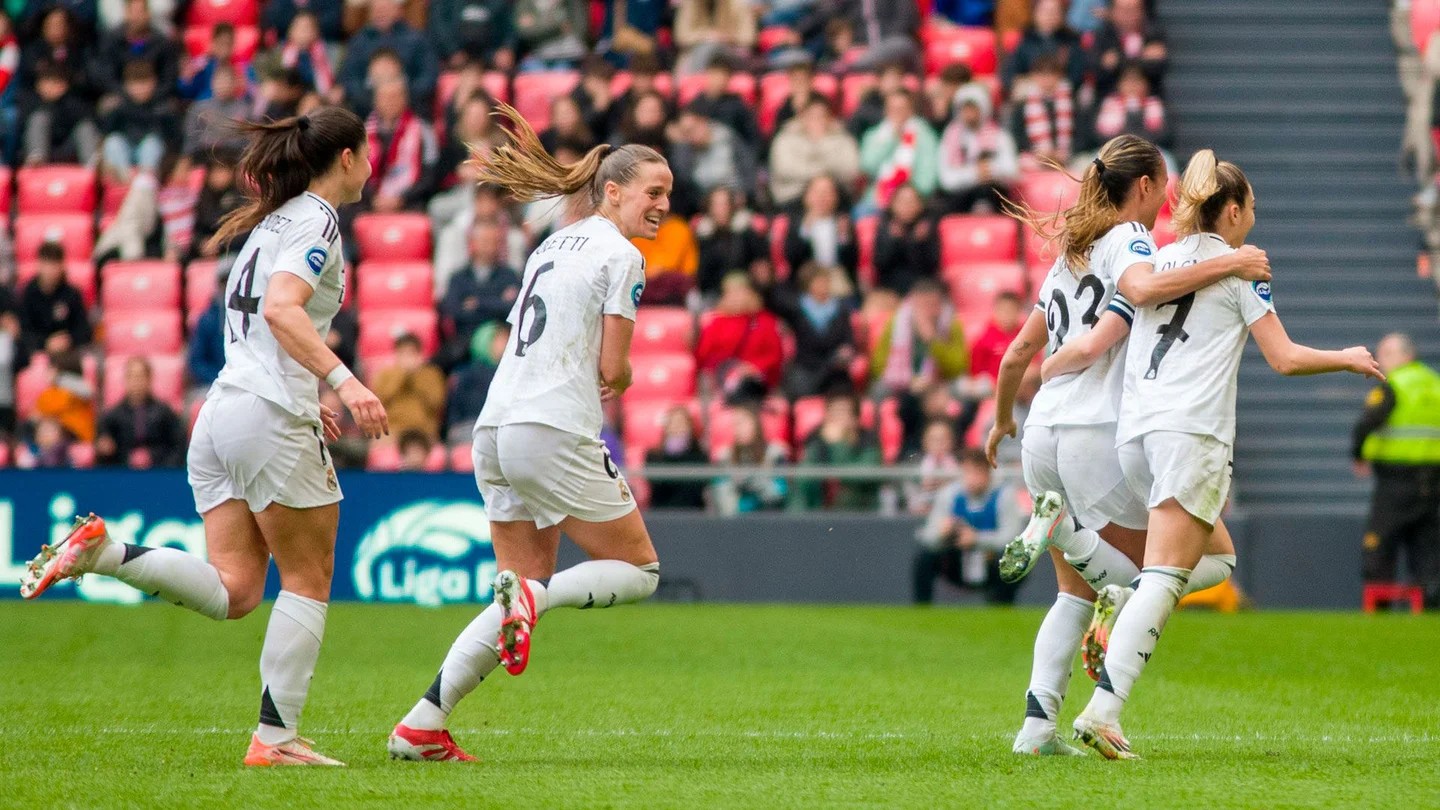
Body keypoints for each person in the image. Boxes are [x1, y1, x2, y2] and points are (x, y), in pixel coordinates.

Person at [20, 106, 389, 767]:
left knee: (237, 589)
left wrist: (308, 391)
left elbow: (262, 325)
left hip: (223, 414)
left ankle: (105, 554)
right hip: (267, 416)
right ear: (346, 159)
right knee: (309, 576)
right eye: (369, 151)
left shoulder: (271, 222)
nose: (373, 163)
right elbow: (280, 310)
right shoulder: (316, 219)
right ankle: (275, 741)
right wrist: (346, 382)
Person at [1037, 149, 1381, 758]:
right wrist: (1348, 356)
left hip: (1135, 436)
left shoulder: (1158, 258)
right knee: (1168, 579)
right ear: (1231, 211)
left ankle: (1119, 593)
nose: (1254, 217)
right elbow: (1284, 358)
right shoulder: (1241, 266)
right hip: (1190, 434)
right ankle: (1103, 710)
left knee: (1218, 558)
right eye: (1250, 206)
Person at [387, 103, 668, 762]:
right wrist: (621, 379)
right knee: (641, 569)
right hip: (552, 426)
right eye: (654, 192)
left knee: (523, 582)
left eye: (668, 195)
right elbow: (612, 367)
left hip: (493, 427)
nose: (662, 205)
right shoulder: (621, 255)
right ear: (614, 191)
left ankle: (422, 723)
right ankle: (534, 601)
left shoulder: (550, 242)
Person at [985, 135, 1275, 758]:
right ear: (1143, 186)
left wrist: (1003, 418)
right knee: (1194, 564)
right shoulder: (1132, 242)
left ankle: (1036, 730)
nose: (1170, 197)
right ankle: (1067, 537)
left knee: (1074, 593)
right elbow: (1139, 295)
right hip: (1095, 434)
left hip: (1039, 435)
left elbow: (1015, 352)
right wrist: (1233, 261)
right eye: (1163, 183)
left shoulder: (1069, 253)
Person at [1352, 333, 1440, 609]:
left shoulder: (1394, 385)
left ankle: (1378, 610)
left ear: (1406, 356)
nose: (1380, 361)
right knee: (1428, 550)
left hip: (1395, 481)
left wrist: (1358, 455)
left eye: (1386, 354)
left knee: (1379, 545)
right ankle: (1430, 609)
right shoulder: (1435, 383)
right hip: (1434, 481)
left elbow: (1366, 423)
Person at [913, 448, 1025, 605]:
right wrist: (943, 533)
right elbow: (928, 537)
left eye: (978, 472)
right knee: (924, 558)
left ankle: (1002, 608)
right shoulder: (950, 495)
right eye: (968, 472)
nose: (972, 479)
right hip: (957, 559)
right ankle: (921, 610)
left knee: (1015, 561)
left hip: (991, 560)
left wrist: (977, 539)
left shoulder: (1003, 496)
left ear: (988, 474)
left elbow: (1013, 537)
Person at [437, 219, 521, 370]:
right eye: (485, 241)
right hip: (464, 345)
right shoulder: (458, 278)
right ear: (472, 243)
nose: (491, 246)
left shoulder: (510, 276)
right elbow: (452, 311)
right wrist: (497, 303)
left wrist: (479, 304)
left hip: (499, 342)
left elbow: (515, 309)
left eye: (495, 241)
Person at [870, 278, 968, 399]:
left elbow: (958, 368)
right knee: (879, 389)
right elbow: (878, 366)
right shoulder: (895, 323)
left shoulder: (952, 325)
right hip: (901, 384)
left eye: (933, 305)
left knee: (961, 389)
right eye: (923, 305)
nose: (928, 311)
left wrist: (932, 340)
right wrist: (909, 381)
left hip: (939, 383)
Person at [696, 273, 787, 403]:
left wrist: (753, 368)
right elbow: (703, 356)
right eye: (731, 293)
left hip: (757, 381)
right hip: (721, 379)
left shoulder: (766, 322)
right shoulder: (715, 323)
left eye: (740, 292)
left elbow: (775, 356)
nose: (736, 297)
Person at [339, 0, 439, 112]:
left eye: (385, 9)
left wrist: (401, 98)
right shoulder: (358, 42)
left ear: (398, 11)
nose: (381, 13)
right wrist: (373, 100)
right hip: (367, 110)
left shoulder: (417, 39)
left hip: (411, 108)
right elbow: (349, 78)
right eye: (376, 10)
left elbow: (428, 76)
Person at [777, 262, 857, 399]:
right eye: (818, 281)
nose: (823, 285)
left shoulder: (841, 308)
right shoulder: (795, 308)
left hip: (834, 368)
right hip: (806, 366)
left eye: (825, 281)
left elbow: (848, 339)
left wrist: (846, 351)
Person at [938, 83, 1020, 214]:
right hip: (962, 197)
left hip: (994, 193)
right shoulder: (950, 137)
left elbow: (1012, 171)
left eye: (973, 109)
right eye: (965, 109)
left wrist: (991, 170)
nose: (969, 114)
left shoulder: (999, 135)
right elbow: (946, 179)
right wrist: (975, 174)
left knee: (990, 193)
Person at [768, 96, 862, 208]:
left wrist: (823, 181)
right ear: (802, 117)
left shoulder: (843, 139)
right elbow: (784, 169)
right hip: (794, 197)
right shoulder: (785, 138)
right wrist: (820, 175)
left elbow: (852, 169)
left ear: (830, 118)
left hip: (837, 198)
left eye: (822, 116)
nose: (817, 120)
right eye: (812, 116)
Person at [794, 392, 881, 510]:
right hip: (821, 519)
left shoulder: (868, 442)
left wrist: (838, 444)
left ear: (855, 418)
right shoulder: (817, 441)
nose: (837, 420)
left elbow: (859, 476)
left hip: (860, 517)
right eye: (833, 414)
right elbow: (803, 483)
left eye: (842, 413)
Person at [95, 356, 186, 468]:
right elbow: (104, 451)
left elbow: (178, 446)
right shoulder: (111, 416)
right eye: (131, 377)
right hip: (123, 475)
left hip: (158, 473)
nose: (136, 382)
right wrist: (105, 450)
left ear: (149, 379)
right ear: (125, 380)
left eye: (140, 377)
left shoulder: (165, 413)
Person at [364, 78, 438, 212]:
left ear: (405, 99)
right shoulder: (363, 133)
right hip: (371, 202)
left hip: (411, 201)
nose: (390, 102)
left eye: (395, 96)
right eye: (385, 97)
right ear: (376, 101)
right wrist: (373, 198)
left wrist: (402, 199)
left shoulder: (423, 131)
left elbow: (430, 176)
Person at [100, 60, 179, 183]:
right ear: (126, 85)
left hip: (153, 160)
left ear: (154, 82)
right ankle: (126, 181)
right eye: (135, 85)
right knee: (113, 141)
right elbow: (106, 134)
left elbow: (174, 140)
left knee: (151, 143)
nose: (140, 89)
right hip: (124, 155)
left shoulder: (164, 108)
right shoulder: (118, 106)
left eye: (144, 84)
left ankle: (144, 182)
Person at [859, 89, 940, 209]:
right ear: (886, 111)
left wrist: (906, 197)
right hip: (877, 199)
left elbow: (928, 176)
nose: (897, 114)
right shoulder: (874, 135)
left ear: (911, 111)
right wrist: (891, 139)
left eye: (901, 109)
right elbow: (867, 166)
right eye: (893, 109)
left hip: (914, 200)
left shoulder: (924, 135)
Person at [784, 175, 859, 292]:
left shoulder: (843, 223)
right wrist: (805, 231)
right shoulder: (796, 224)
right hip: (807, 278)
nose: (822, 197)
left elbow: (852, 260)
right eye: (817, 192)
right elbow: (792, 258)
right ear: (806, 196)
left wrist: (843, 237)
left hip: (835, 276)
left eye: (828, 193)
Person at [695, 187, 768, 301]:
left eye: (724, 204)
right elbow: (703, 278)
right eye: (716, 205)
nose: (721, 210)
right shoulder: (704, 238)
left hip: (747, 289)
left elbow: (760, 264)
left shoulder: (746, 233)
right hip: (716, 293)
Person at [711, 406, 790, 514]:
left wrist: (755, 483)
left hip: (769, 518)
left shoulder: (775, 453)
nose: (738, 429)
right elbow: (721, 493)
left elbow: (780, 491)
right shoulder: (724, 456)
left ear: (756, 425)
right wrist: (740, 506)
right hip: (735, 522)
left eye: (742, 423)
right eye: (735, 425)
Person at [22, 60, 101, 165]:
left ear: (65, 85)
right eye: (47, 82)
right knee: (39, 118)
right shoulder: (29, 101)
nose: (50, 87)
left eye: (56, 82)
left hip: (69, 148)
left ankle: (92, 165)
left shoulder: (74, 102)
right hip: (39, 149)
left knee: (84, 127)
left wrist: (59, 103)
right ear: (38, 85)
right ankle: (36, 160)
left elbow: (87, 121)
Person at [19, 241, 91, 357]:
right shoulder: (28, 293)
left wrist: (68, 340)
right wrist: (46, 343)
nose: (51, 270)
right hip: (36, 353)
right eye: (47, 264)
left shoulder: (72, 294)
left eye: (55, 264)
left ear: (62, 266)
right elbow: (24, 332)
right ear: (39, 265)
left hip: (69, 353)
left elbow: (84, 330)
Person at [372, 333, 448, 441]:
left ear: (419, 354)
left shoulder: (432, 374)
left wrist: (416, 375)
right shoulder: (386, 375)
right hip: (392, 430)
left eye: (411, 353)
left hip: (424, 431)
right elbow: (380, 402)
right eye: (402, 354)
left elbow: (436, 404)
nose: (407, 358)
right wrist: (402, 375)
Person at [1000, 0, 1085, 93]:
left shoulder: (1071, 40)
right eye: (1045, 11)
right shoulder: (1026, 40)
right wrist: (1034, 83)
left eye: (1054, 11)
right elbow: (1008, 73)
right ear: (1035, 14)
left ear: (1062, 15)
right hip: (1031, 92)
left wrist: (1054, 83)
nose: (1049, 16)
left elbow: (1077, 74)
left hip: (1063, 92)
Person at [1090, 0, 1168, 100]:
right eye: (1124, 10)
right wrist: (1142, 57)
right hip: (1109, 100)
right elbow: (1097, 68)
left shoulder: (1154, 34)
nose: (1129, 15)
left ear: (1143, 12)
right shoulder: (1102, 37)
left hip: (1149, 101)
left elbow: (1159, 67)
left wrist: (1118, 60)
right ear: (1112, 12)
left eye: (1133, 10)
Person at [872, 183, 940, 296]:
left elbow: (931, 267)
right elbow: (880, 265)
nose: (907, 206)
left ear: (920, 205)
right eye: (902, 201)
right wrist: (893, 241)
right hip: (890, 289)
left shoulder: (927, 227)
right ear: (892, 205)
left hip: (921, 289)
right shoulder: (885, 226)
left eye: (912, 201)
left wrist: (916, 243)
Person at [1091, 63, 1171, 148]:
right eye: (1127, 81)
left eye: (1137, 81)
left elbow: (1165, 135)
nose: (1132, 86)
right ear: (1119, 84)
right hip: (1113, 150)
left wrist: (1138, 113)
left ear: (1146, 84)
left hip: (1150, 150)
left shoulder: (1155, 105)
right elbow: (1097, 136)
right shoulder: (1109, 104)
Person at [645, 405, 710, 509]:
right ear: (666, 427)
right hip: (660, 513)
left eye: (681, 422)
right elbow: (658, 485)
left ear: (690, 427)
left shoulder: (700, 456)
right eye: (673, 422)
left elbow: (696, 489)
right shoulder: (653, 456)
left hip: (693, 513)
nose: (677, 426)